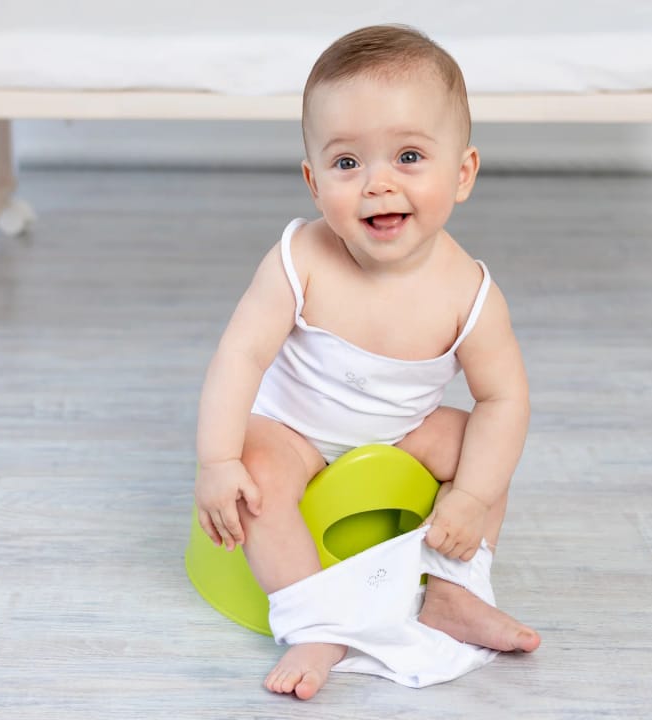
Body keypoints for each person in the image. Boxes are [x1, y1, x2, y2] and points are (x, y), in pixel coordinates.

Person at [194, 24, 540, 700]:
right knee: (254, 473)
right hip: (294, 431)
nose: (378, 184)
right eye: (347, 163)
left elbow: (504, 398)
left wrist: (470, 497)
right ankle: (316, 623)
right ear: (313, 182)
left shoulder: (469, 292)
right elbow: (240, 354)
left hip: (400, 433)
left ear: (462, 173)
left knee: (483, 444)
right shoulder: (299, 259)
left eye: (409, 156)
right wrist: (217, 461)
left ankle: (454, 590)